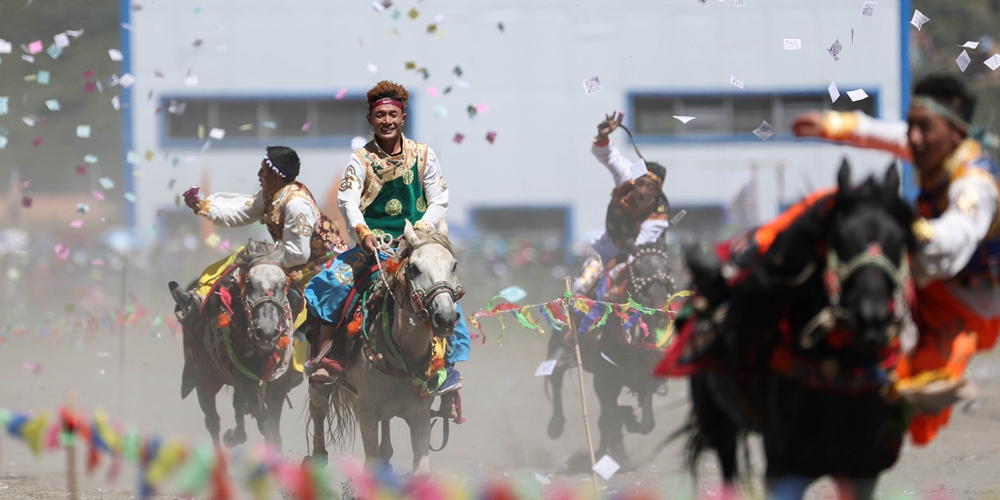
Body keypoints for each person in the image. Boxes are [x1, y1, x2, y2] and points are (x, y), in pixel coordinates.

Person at [792, 74, 1000, 445]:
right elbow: (885, 134)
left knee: (917, 395)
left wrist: (909, 228)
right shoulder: (936, 149)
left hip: (966, 308)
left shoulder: (975, 186)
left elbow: (953, 243)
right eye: (912, 125)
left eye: (925, 128)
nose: (913, 138)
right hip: (924, 283)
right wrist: (835, 124)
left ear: (956, 134)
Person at [304, 80, 470, 399]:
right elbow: (348, 201)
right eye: (380, 115)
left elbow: (440, 198)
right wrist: (362, 231)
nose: (387, 121)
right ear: (370, 119)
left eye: (393, 114)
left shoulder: (423, 155)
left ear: (402, 117)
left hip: (417, 246)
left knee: (445, 296)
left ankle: (445, 369)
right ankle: (329, 357)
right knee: (332, 283)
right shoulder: (361, 159)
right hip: (374, 248)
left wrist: (422, 227)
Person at [171, 146, 349, 342]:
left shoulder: (297, 204)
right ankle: (199, 300)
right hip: (292, 261)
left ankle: (312, 362)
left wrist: (266, 258)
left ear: (276, 175)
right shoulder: (269, 196)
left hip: (322, 267)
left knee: (305, 311)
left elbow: (298, 254)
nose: (259, 174)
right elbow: (239, 213)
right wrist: (205, 208)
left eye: (264, 169)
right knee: (239, 256)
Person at [571, 111, 671, 295]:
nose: (642, 192)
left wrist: (615, 274)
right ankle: (563, 321)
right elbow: (610, 156)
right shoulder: (627, 176)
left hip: (639, 257)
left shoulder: (658, 218)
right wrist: (603, 136)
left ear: (657, 192)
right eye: (640, 184)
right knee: (579, 287)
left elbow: (638, 251)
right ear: (634, 182)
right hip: (606, 246)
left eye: (650, 188)